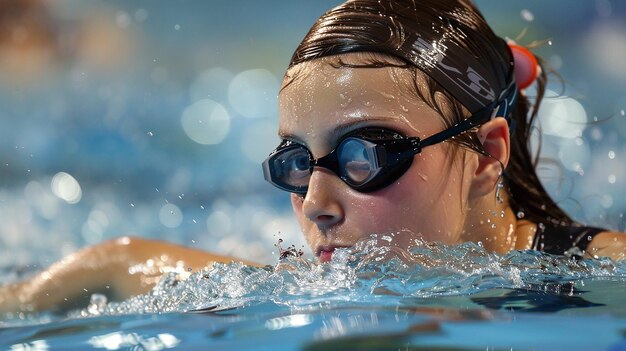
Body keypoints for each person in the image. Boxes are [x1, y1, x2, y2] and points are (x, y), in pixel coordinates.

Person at [1, 0, 624, 315]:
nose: (318, 207)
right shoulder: (326, 281)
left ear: (486, 156)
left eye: (366, 156)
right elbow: (119, 261)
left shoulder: (598, 275)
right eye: (295, 163)